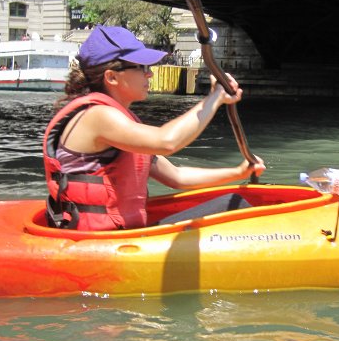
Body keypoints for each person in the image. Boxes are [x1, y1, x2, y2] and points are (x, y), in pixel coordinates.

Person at [43, 25, 265, 231]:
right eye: (141, 67)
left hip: (123, 235)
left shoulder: (123, 123)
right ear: (111, 77)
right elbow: (167, 141)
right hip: (100, 243)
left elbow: (177, 177)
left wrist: (238, 172)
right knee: (236, 205)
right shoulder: (97, 116)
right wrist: (215, 98)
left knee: (233, 202)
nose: (149, 73)